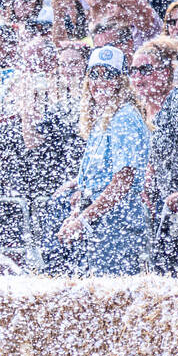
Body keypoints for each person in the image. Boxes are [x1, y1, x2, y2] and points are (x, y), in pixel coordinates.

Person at [50, 46, 151, 275]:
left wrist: (83, 220)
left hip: (117, 225)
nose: (101, 82)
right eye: (95, 75)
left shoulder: (124, 117)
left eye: (109, 75)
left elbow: (121, 183)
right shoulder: (104, 118)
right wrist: (76, 213)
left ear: (121, 81)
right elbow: (94, 180)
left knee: (115, 299)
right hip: (101, 222)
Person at [132, 37, 178, 272]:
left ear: (166, 72)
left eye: (145, 69)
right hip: (169, 205)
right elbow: (157, 155)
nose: (138, 77)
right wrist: (148, 181)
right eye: (133, 71)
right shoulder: (147, 109)